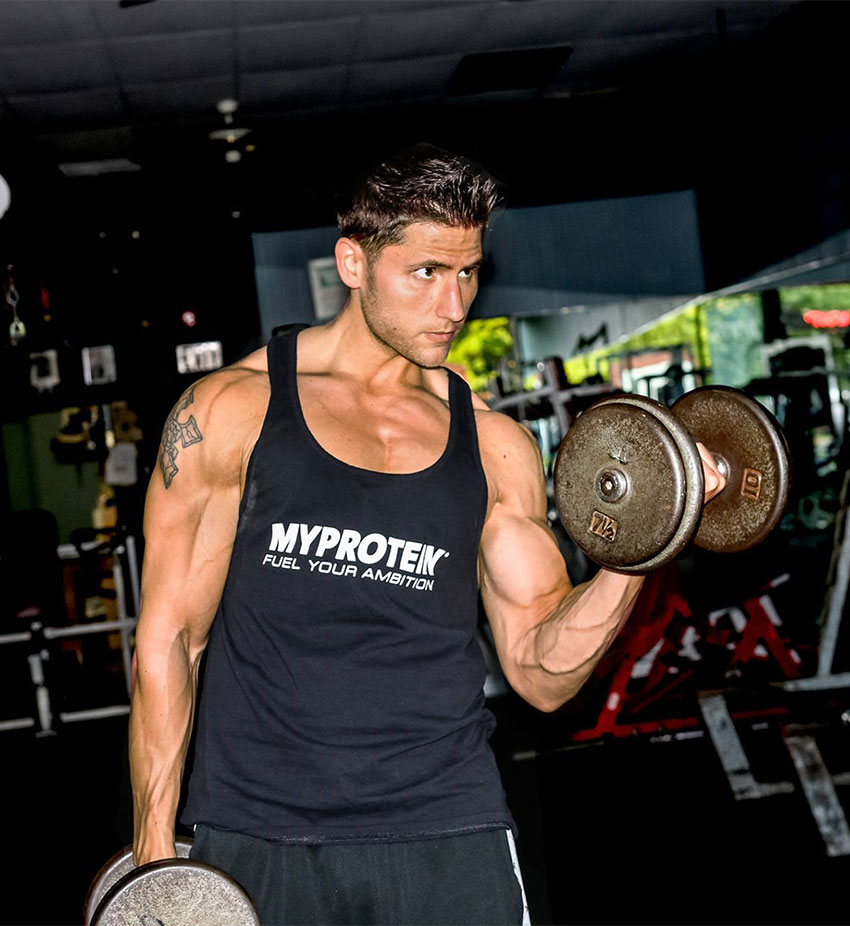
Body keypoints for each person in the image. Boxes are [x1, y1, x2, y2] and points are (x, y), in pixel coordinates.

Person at [130, 145, 724, 925]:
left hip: (448, 826)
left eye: (468, 273)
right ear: (353, 262)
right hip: (259, 831)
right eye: (426, 273)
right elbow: (171, 637)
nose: (455, 304)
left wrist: (646, 541)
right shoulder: (228, 413)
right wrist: (152, 859)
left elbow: (542, 672)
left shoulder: (493, 446)